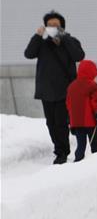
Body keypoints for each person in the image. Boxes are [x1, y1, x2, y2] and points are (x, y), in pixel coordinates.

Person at [24, 10, 85, 164]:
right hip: (46, 90)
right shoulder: (41, 43)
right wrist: (37, 36)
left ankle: (62, 153)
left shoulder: (70, 41)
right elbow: (29, 54)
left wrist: (64, 38)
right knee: (51, 123)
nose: (52, 28)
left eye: (56, 26)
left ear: (62, 27)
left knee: (61, 122)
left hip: (65, 90)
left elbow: (79, 56)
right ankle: (58, 147)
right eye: (49, 26)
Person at [65, 59, 97, 162]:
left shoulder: (71, 86)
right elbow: (95, 103)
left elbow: (68, 104)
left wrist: (70, 119)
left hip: (77, 122)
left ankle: (77, 163)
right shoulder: (93, 86)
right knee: (95, 145)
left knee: (81, 146)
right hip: (90, 122)